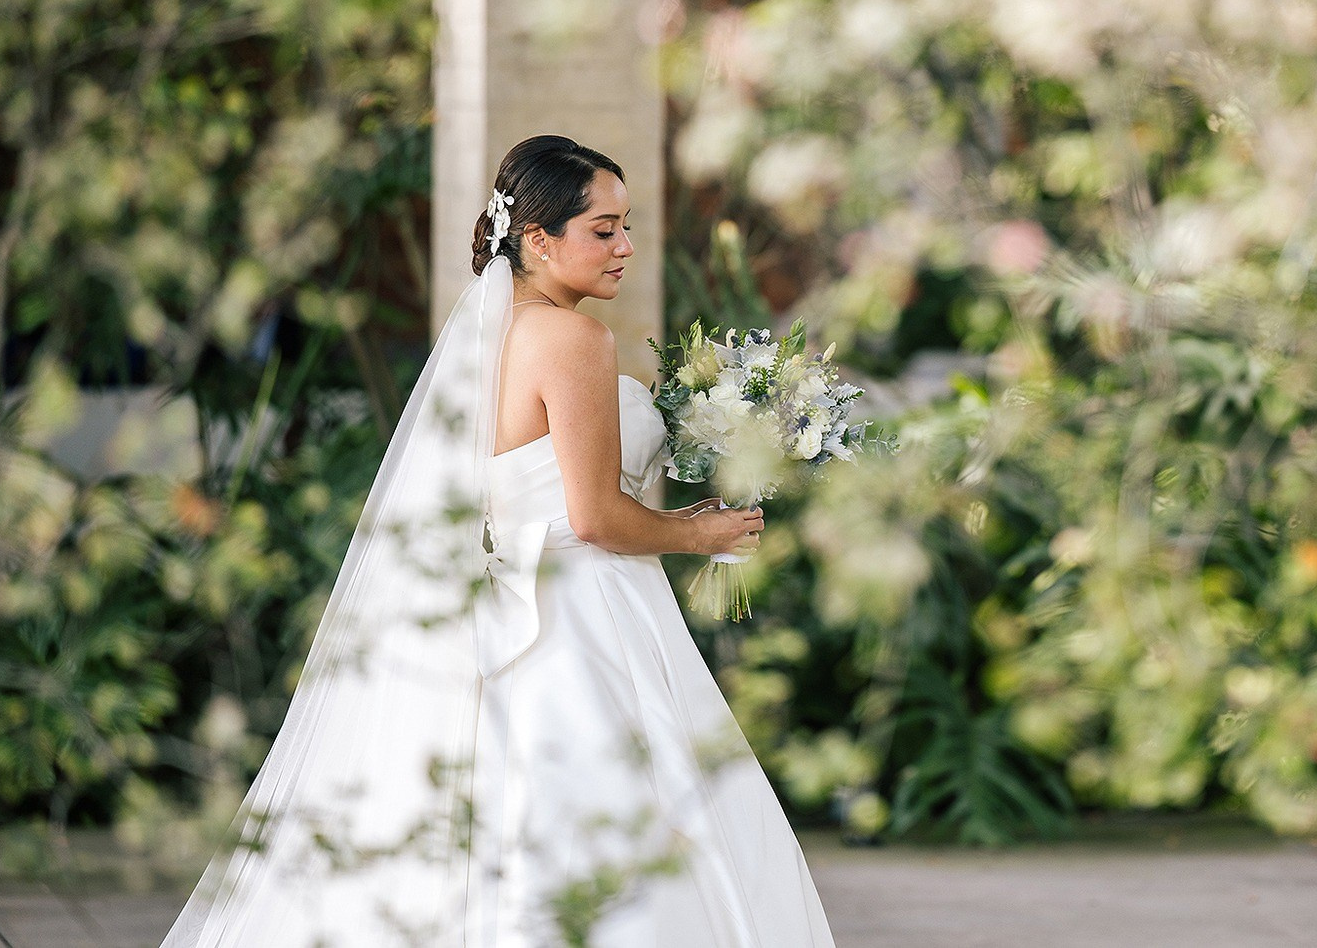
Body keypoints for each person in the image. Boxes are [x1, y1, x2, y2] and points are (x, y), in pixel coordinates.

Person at [161, 134, 837, 947]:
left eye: (627, 225)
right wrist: (702, 531)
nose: (625, 246)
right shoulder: (574, 340)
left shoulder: (490, 337)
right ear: (540, 238)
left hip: (506, 603)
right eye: (603, 229)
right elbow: (595, 518)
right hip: (582, 608)